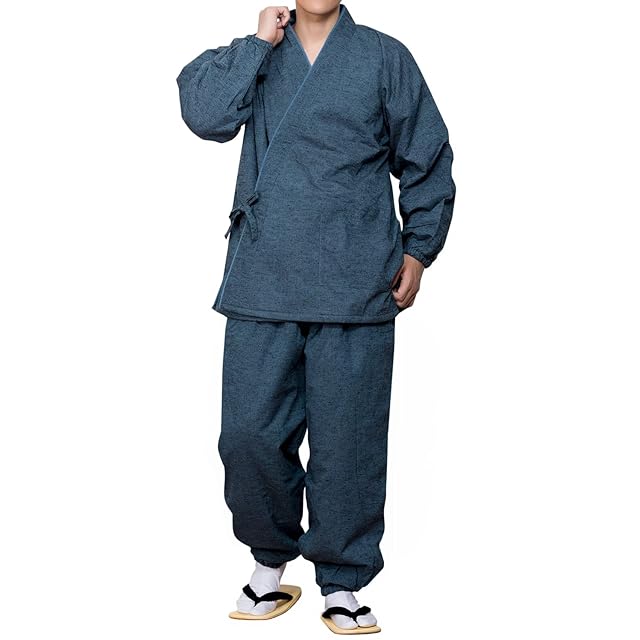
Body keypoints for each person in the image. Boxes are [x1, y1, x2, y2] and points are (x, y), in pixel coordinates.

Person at [176, 1, 456, 633]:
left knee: (349, 443)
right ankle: (269, 560)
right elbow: (206, 116)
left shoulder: (383, 57)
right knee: (248, 436)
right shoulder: (256, 53)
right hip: (263, 277)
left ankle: (342, 579)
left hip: (356, 281)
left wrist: (419, 250)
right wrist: (257, 44)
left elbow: (428, 157)